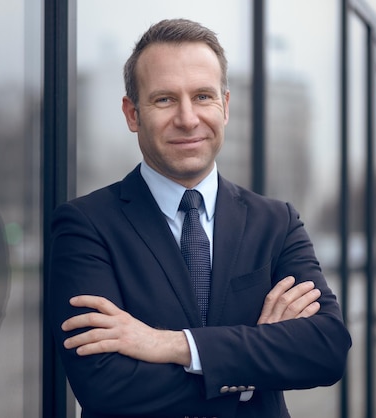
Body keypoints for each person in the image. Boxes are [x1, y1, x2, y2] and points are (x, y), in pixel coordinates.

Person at [48, 18, 351, 418]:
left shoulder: (276, 223)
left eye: (203, 96)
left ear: (225, 107)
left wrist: (174, 345)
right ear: (132, 113)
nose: (188, 119)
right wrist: (254, 365)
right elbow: (106, 385)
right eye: (164, 99)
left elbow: (326, 349)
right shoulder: (85, 226)